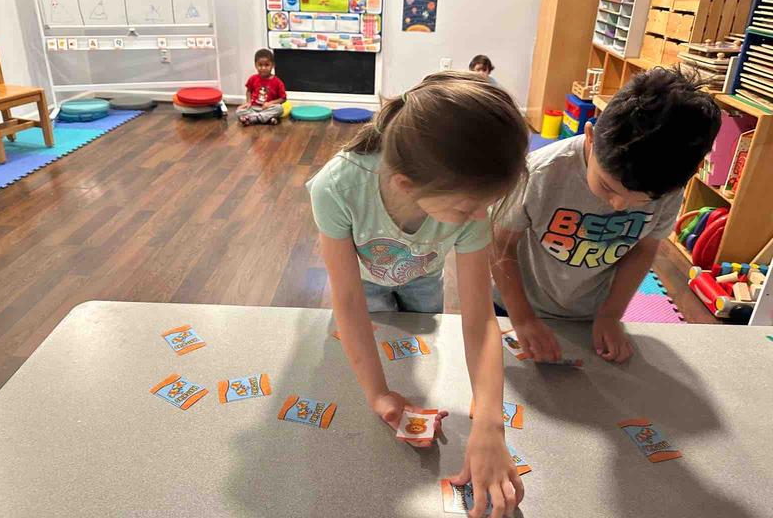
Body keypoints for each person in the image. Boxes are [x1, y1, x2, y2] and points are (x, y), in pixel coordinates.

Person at [307, 71, 529, 518]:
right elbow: (347, 305)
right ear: (407, 185)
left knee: (422, 333)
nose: (478, 216)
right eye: (467, 208)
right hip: (365, 281)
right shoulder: (338, 187)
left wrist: (489, 423)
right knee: (369, 334)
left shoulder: (467, 204)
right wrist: (378, 393)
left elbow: (480, 319)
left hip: (423, 273)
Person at [491, 68, 721, 364]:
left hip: (590, 313)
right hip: (514, 304)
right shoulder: (540, 173)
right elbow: (500, 243)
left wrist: (611, 314)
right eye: (606, 186)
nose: (618, 205)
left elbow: (644, 249)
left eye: (640, 201)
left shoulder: (667, 188)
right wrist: (522, 318)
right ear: (589, 137)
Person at [236, 49, 287, 126]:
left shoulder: (277, 82)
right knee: (238, 111)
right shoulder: (253, 78)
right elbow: (249, 91)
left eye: (267, 65)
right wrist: (248, 102)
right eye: (260, 65)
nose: (263, 68)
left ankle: (253, 119)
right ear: (255, 65)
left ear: (272, 65)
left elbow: (283, 98)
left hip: (268, 108)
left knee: (279, 109)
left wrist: (270, 103)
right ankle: (267, 119)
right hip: (254, 107)